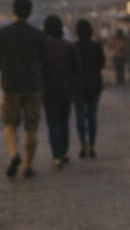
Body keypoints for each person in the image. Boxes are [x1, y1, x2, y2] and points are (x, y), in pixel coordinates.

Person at [0, 0, 46, 178]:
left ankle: (14, 154)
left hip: (11, 85)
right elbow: (43, 59)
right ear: (30, 13)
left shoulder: (3, 33)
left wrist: (5, 69)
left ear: (13, 11)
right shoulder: (37, 34)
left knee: (10, 123)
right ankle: (28, 166)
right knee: (32, 127)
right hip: (32, 85)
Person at [41, 14, 80, 170]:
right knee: (64, 122)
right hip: (66, 91)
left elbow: (39, 68)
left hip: (48, 92)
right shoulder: (68, 46)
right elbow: (77, 68)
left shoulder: (42, 48)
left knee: (53, 124)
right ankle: (63, 152)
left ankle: (56, 156)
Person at [72, 19, 105, 158]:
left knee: (79, 115)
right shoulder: (96, 46)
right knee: (92, 116)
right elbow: (101, 63)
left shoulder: (74, 46)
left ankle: (82, 145)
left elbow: (71, 66)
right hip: (94, 84)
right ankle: (92, 147)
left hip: (78, 85)